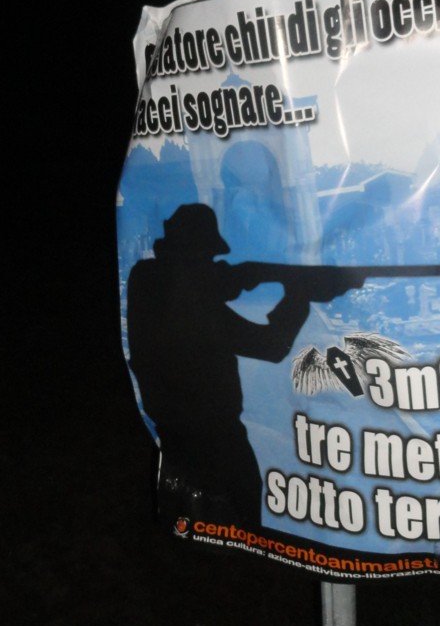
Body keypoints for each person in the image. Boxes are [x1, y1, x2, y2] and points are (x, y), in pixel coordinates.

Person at [126, 203, 311, 531]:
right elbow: (271, 346)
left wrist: (236, 278)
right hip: (211, 431)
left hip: (173, 424)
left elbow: (203, 282)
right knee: (238, 507)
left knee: (188, 510)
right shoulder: (186, 299)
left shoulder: (147, 279)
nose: (212, 263)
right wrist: (299, 298)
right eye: (207, 256)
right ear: (195, 254)